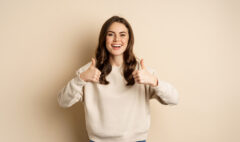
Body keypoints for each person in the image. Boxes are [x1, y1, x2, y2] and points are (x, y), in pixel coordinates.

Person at [57, 16, 179, 142]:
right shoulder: (88, 71)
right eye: (111, 34)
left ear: (129, 39)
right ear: (104, 38)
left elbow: (174, 99)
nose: (117, 39)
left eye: (122, 35)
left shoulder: (143, 72)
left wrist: (154, 81)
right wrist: (81, 79)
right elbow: (63, 101)